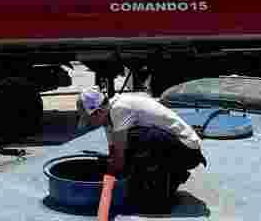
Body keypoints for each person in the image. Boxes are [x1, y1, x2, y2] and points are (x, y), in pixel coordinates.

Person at [77, 88, 207, 213]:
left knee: (135, 138)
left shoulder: (119, 109)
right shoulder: (107, 119)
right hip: (175, 148)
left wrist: (109, 183)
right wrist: (111, 168)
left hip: (188, 151)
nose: (89, 124)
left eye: (89, 120)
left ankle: (160, 200)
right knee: (129, 144)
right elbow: (113, 152)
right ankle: (171, 177)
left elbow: (120, 157)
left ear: (98, 112)